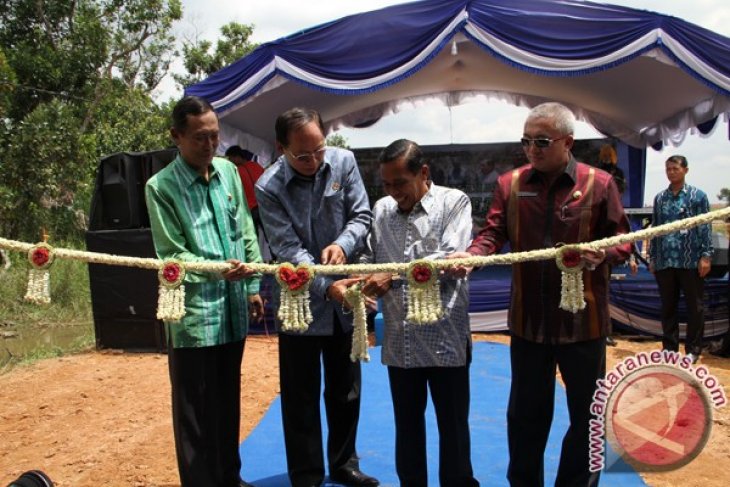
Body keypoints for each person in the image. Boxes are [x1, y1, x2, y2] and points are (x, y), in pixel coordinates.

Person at [448, 102, 631, 487]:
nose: (532, 149)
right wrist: (473, 255)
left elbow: (624, 241)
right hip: (529, 322)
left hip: (585, 321)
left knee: (588, 415)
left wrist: (602, 254)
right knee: (525, 415)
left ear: (567, 142)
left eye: (542, 141)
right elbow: (493, 233)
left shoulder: (599, 183)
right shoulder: (509, 184)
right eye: (526, 141)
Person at [254, 107, 377, 487]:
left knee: (346, 389)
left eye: (319, 150)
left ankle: (344, 463)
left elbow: (362, 215)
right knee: (300, 394)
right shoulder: (267, 186)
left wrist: (342, 244)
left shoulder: (344, 162)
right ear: (281, 149)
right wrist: (327, 285)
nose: (313, 161)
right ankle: (306, 474)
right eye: (302, 155)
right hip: (299, 302)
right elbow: (287, 247)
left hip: (346, 295)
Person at [145, 95, 264, 487]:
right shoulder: (160, 187)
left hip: (232, 313)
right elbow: (171, 253)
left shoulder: (230, 172)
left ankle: (230, 477)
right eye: (200, 138)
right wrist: (218, 272)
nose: (210, 145)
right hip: (195, 319)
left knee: (227, 402)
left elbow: (245, 229)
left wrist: (250, 284)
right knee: (194, 411)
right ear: (176, 136)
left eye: (214, 136)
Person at [359, 139, 480, 487]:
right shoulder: (381, 209)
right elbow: (370, 257)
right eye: (387, 183)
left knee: (453, 426)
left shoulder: (454, 202)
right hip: (401, 341)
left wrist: (391, 276)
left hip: (447, 339)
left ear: (423, 173)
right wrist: (359, 279)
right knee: (407, 426)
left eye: (400, 183)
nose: (393, 191)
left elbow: (449, 258)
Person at [649, 155, 713, 363]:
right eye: (668, 169)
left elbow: (705, 227)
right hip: (665, 260)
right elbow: (656, 229)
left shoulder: (698, 196)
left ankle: (693, 349)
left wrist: (706, 255)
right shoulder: (660, 198)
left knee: (695, 306)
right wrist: (653, 257)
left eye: (675, 168)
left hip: (690, 259)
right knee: (668, 306)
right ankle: (669, 349)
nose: (671, 172)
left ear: (685, 170)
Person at [225, 145, 265, 237]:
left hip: (251, 209)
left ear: (237, 157)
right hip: (263, 205)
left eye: (231, 159)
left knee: (254, 236)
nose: (230, 162)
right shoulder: (256, 166)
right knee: (270, 235)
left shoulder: (236, 171)